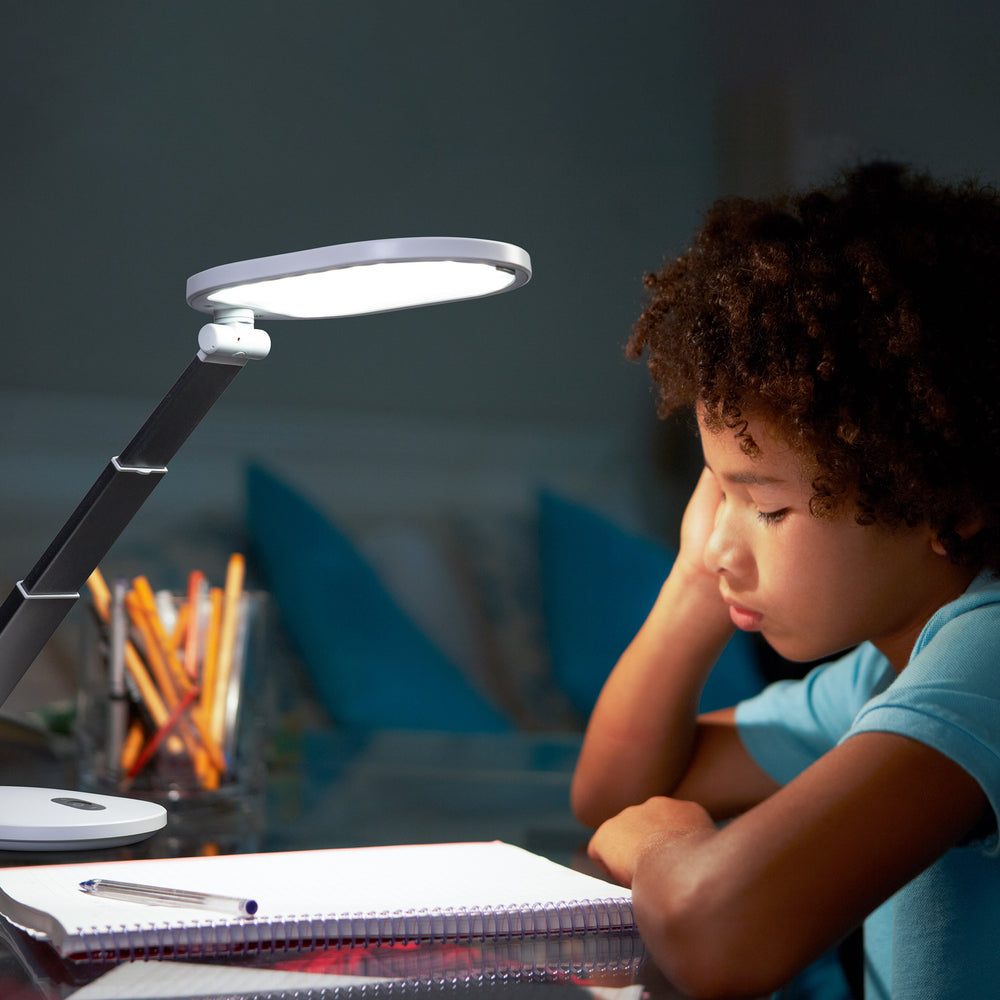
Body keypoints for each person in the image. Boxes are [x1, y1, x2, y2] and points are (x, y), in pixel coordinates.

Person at [571, 162, 1000, 999]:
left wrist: (668, 846)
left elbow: (720, 934)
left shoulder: (987, 660)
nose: (723, 543)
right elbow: (618, 790)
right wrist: (696, 580)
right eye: (714, 490)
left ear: (945, 501)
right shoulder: (884, 674)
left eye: (765, 508)